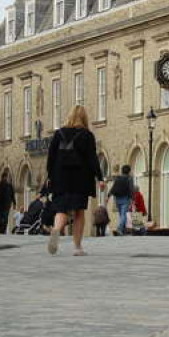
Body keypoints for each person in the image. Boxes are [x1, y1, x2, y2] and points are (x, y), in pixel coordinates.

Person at [46, 105, 105, 256]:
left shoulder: (58, 134)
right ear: (84, 118)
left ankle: (56, 230)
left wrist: (50, 177)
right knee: (78, 211)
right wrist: (100, 178)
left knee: (62, 209)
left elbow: (50, 158)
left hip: (60, 177)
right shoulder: (87, 135)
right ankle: (77, 248)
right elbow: (92, 159)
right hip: (80, 178)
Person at [107, 164, 134, 236]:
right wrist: (132, 198)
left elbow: (113, 187)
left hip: (117, 198)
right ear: (129, 171)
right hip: (125, 198)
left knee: (121, 215)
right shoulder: (129, 178)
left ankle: (123, 230)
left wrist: (108, 196)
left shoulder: (118, 178)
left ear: (122, 171)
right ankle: (119, 229)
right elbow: (131, 189)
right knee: (123, 215)